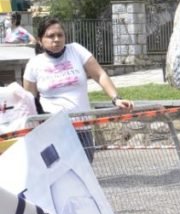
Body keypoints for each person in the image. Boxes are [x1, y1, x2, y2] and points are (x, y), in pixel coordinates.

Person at [22, 18, 134, 157]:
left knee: (86, 165)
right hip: (53, 129)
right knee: (60, 169)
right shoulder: (34, 64)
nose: (56, 39)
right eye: (50, 36)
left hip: (82, 126)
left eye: (60, 35)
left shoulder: (76, 50)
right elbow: (29, 100)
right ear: (40, 40)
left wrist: (116, 98)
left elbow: (99, 75)